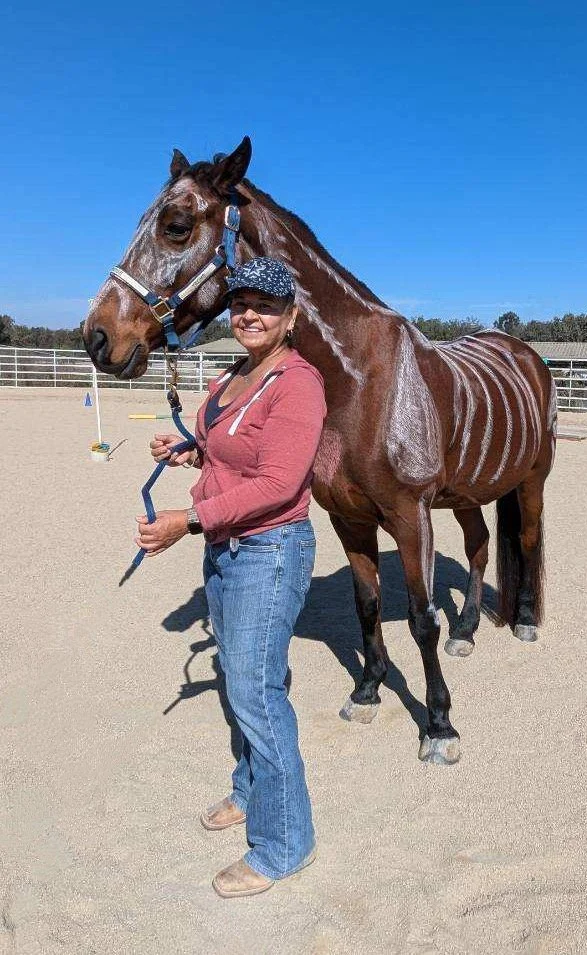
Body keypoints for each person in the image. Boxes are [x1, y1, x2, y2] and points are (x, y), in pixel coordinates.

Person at [136, 257, 327, 898]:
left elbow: (279, 483)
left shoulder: (298, 384)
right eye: (240, 303)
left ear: (291, 317)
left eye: (265, 305)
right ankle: (252, 794)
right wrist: (187, 447)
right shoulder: (233, 380)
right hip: (226, 548)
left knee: (255, 692)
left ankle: (284, 846)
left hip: (268, 550)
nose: (248, 314)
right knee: (247, 680)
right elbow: (229, 449)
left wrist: (189, 520)